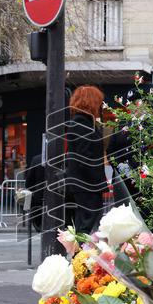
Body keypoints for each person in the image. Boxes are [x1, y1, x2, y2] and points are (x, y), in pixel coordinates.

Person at [64, 85, 108, 234]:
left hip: (84, 183)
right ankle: (80, 255)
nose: (101, 105)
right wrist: (100, 181)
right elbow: (85, 157)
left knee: (85, 221)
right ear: (91, 102)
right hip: (86, 184)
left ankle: (80, 254)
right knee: (86, 222)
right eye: (99, 102)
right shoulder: (82, 124)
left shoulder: (82, 122)